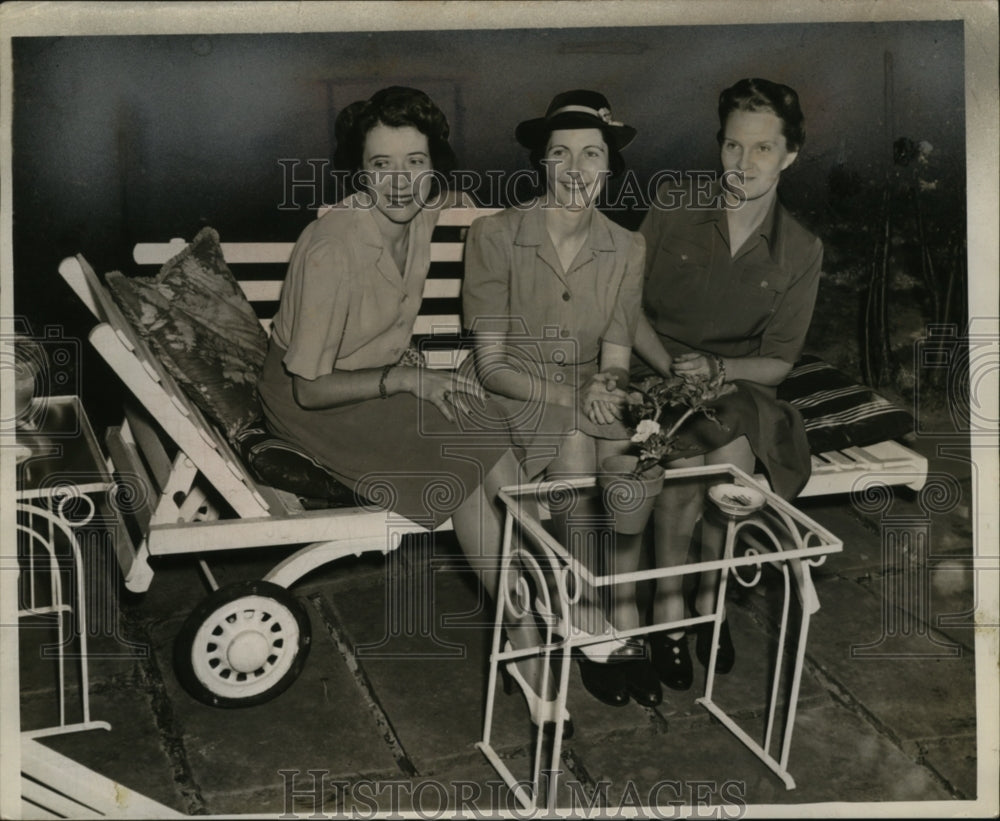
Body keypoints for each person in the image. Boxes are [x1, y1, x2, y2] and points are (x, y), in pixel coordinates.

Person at [257, 86, 569, 735]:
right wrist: (405, 378)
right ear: (358, 170)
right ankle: (525, 629)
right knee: (455, 470)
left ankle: (542, 578)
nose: (399, 182)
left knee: (486, 420)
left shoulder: (426, 205)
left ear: (434, 167)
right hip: (318, 402)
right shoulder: (332, 248)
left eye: (415, 162)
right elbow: (310, 387)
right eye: (380, 166)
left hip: (385, 379)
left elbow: (486, 215)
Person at [462, 90, 661, 709]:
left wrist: (608, 385)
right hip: (510, 391)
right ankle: (590, 619)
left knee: (638, 461)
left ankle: (616, 608)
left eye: (592, 155)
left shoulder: (628, 247)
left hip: (577, 389)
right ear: (541, 164)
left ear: (609, 168)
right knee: (576, 438)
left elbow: (619, 351)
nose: (576, 170)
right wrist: (578, 400)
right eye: (561, 153)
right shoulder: (495, 235)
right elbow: (492, 366)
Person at [624, 78, 822, 691]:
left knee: (729, 461)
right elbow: (625, 310)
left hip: (735, 385)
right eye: (734, 147)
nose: (745, 163)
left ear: (789, 155)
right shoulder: (675, 207)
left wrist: (720, 373)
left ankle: (703, 601)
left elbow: (779, 363)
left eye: (763, 149)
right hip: (654, 370)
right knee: (692, 467)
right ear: (721, 147)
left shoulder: (800, 250)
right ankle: (671, 613)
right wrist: (667, 371)